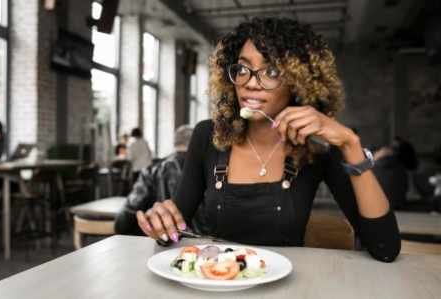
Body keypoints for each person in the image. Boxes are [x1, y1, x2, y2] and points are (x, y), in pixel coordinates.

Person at [136, 17, 401, 263]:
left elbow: (385, 248)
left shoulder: (317, 146)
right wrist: (161, 222)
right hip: (222, 282)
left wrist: (350, 143)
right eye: (243, 69)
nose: (251, 84)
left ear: (299, 82)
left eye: (271, 72)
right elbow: (173, 230)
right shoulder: (208, 136)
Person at [114, 125, 211, 236]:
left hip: (165, 246)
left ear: (175, 143)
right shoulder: (214, 174)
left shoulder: (151, 172)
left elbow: (122, 222)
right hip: (210, 246)